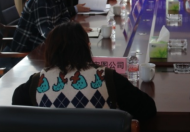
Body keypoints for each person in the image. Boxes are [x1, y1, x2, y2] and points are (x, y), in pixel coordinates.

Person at [12, 22, 156, 120]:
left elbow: (17, 115)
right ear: (87, 47)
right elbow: (148, 110)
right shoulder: (107, 78)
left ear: (49, 51)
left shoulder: (35, 83)